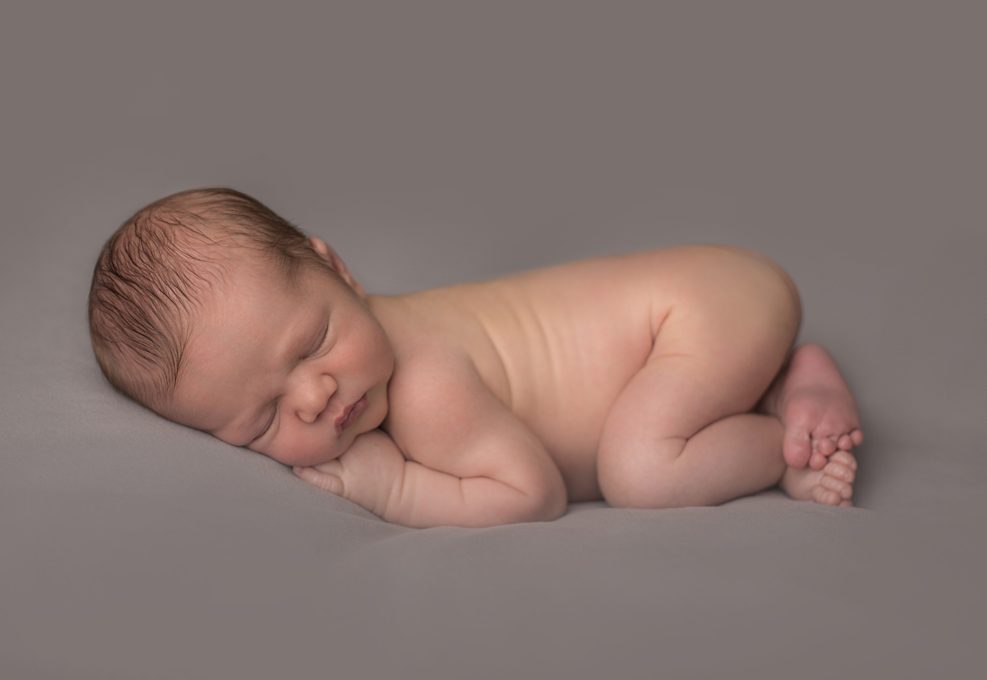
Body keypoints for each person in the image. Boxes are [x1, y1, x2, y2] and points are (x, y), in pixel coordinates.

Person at [88, 187, 863, 528]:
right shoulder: (366, 358)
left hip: (700, 306)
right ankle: (787, 380)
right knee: (654, 428)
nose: (317, 395)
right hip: (707, 314)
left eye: (313, 344)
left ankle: (785, 446)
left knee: (640, 471)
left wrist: (393, 488)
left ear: (338, 270)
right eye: (262, 418)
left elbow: (532, 496)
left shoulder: (425, 385)